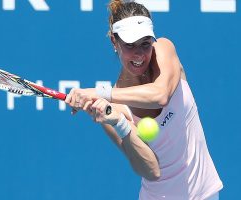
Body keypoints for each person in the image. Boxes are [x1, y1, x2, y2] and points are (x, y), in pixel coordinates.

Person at [65, 0, 223, 199]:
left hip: (205, 195)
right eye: (130, 45)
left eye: (145, 44)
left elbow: (160, 95)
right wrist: (119, 122)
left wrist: (101, 92)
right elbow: (151, 171)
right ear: (115, 42)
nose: (139, 54)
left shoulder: (164, 49)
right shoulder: (110, 109)